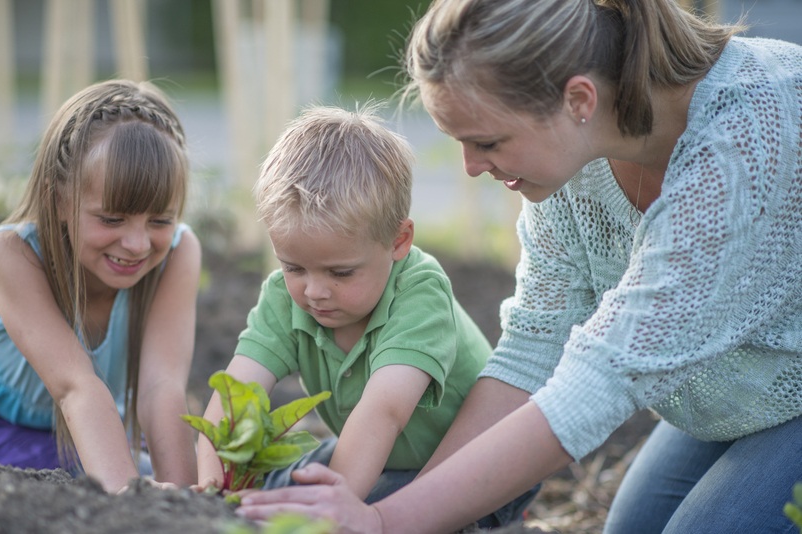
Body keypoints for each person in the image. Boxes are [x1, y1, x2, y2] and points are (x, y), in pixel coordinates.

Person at [235, 0, 802, 532]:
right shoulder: (572, 161)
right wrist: (418, 511)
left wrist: (385, 521)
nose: (471, 167)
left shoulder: (743, 138)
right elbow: (533, 348)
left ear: (578, 100)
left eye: (487, 141)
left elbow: (604, 376)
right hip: (746, 389)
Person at [196, 104, 536, 528]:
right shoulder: (284, 297)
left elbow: (385, 410)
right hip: (380, 459)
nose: (314, 291)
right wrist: (215, 492)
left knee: (337, 502)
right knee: (278, 484)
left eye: (341, 272)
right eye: (293, 267)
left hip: (467, 469)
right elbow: (236, 396)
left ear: (399, 241)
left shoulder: (419, 292)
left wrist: (326, 516)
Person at [0, 79, 202, 494]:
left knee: (189, 476)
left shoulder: (179, 253)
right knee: (89, 482)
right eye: (111, 219)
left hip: (79, 432)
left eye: (160, 221)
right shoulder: (12, 254)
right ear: (58, 199)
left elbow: (162, 387)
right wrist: (135, 498)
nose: (137, 244)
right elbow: (76, 387)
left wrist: (184, 496)